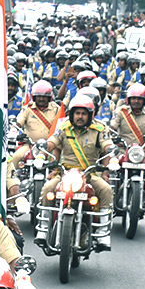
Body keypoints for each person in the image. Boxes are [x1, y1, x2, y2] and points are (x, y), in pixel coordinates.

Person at [39, 93, 113, 248]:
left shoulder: (99, 129)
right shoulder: (64, 127)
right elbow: (53, 142)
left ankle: (102, 233)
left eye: (84, 114)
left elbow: (106, 146)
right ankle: (44, 228)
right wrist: (42, 152)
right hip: (65, 172)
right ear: (72, 114)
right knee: (47, 188)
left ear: (90, 115)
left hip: (89, 173)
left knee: (106, 189)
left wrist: (107, 165)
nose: (80, 117)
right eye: (77, 113)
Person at [109, 83, 145, 174]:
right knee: (113, 164)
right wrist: (112, 135)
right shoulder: (121, 111)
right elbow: (112, 127)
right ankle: (113, 184)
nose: (136, 101)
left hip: (142, 149)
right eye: (133, 98)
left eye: (139, 99)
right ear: (128, 100)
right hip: (123, 149)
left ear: (144, 100)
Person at [10, 80, 58, 169]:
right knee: (16, 157)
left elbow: (61, 124)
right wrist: (14, 129)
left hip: (50, 147)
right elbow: (20, 119)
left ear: (49, 97)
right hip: (30, 146)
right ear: (34, 97)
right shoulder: (28, 108)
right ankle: (14, 180)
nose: (41, 99)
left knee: (57, 164)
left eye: (44, 96)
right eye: (38, 96)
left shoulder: (56, 109)